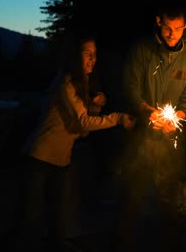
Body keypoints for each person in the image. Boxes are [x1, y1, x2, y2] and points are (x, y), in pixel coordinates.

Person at [9, 32, 136, 252]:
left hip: (60, 160)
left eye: (94, 55)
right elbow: (83, 122)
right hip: (39, 157)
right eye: (87, 54)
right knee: (28, 217)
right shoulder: (65, 81)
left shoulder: (81, 84)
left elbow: (80, 131)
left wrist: (96, 107)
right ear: (74, 56)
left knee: (56, 218)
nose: (92, 60)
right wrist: (116, 118)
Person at [115, 2, 186, 251]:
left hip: (171, 142)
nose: (172, 34)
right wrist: (147, 112)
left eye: (177, 28)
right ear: (158, 21)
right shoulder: (142, 51)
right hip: (139, 140)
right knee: (131, 198)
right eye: (167, 27)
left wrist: (177, 117)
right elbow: (130, 88)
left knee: (171, 203)